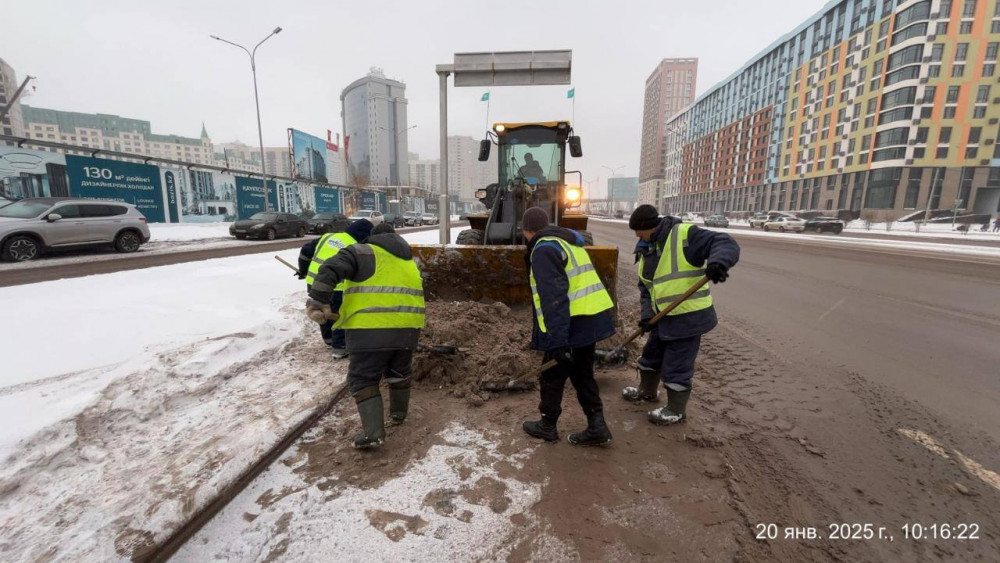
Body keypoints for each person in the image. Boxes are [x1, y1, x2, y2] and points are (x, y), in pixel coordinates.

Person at [307, 219, 423, 450]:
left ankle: (374, 433)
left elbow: (330, 268)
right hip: (409, 329)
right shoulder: (410, 261)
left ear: (372, 237)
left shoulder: (361, 251)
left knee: (363, 379)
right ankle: (399, 415)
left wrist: (318, 300)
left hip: (370, 329)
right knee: (399, 372)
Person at [622, 204, 740, 425]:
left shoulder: (685, 235)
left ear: (650, 226)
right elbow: (646, 288)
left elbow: (724, 242)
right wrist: (647, 316)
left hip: (688, 318)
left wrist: (718, 262)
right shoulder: (647, 248)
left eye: (638, 230)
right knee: (651, 356)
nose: (637, 235)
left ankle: (676, 410)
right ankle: (647, 392)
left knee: (677, 366)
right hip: (662, 317)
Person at [520, 207, 617, 446]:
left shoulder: (543, 250)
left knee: (551, 375)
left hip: (569, 323)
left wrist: (559, 341)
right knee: (583, 374)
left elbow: (555, 298)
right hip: (588, 318)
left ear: (526, 231)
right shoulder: (569, 243)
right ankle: (597, 425)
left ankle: (547, 426)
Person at [298, 219, 374, 358]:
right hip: (337, 286)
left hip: (314, 282)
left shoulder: (329, 236)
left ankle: (328, 339)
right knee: (340, 315)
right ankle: (340, 347)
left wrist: (303, 270)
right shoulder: (356, 246)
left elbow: (305, 250)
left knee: (322, 309)